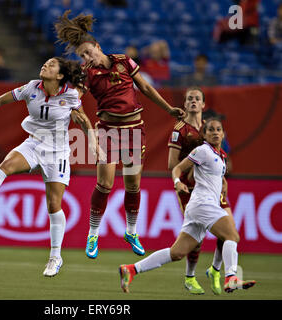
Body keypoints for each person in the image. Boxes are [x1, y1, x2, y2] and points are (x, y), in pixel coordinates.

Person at [54, 10, 186, 259]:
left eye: (88, 52)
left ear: (97, 46)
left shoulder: (124, 61)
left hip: (134, 131)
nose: (86, 57)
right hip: (107, 132)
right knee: (104, 184)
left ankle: (132, 231)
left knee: (133, 185)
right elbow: (76, 98)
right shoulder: (86, 74)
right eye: (81, 55)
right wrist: (72, 107)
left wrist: (169, 109)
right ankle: (93, 234)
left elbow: (145, 87)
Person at [0, 57, 96, 277]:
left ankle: (55, 257)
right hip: (33, 143)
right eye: (45, 63)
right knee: (7, 164)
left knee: (53, 203)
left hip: (57, 152)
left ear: (60, 76)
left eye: (51, 65)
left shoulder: (69, 96)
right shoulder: (31, 87)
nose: (45, 66)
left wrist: (94, 145)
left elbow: (84, 120)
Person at [119, 118, 256, 294]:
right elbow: (177, 168)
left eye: (218, 129)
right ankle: (231, 277)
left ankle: (131, 269)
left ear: (223, 134)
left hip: (199, 207)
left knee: (176, 253)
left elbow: (217, 178)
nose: (215, 132)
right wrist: (177, 181)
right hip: (202, 204)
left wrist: (223, 186)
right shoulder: (203, 151)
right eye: (211, 130)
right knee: (232, 235)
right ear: (204, 135)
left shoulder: (220, 155)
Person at [167, 87, 235, 295]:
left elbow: (219, 157)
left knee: (228, 230)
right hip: (190, 189)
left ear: (203, 105)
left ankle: (215, 270)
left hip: (212, 187)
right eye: (190, 99)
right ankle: (190, 276)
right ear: (185, 105)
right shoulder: (179, 130)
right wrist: (183, 176)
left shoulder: (209, 128)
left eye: (197, 98)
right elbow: (172, 164)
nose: (194, 101)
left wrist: (221, 176)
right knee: (196, 239)